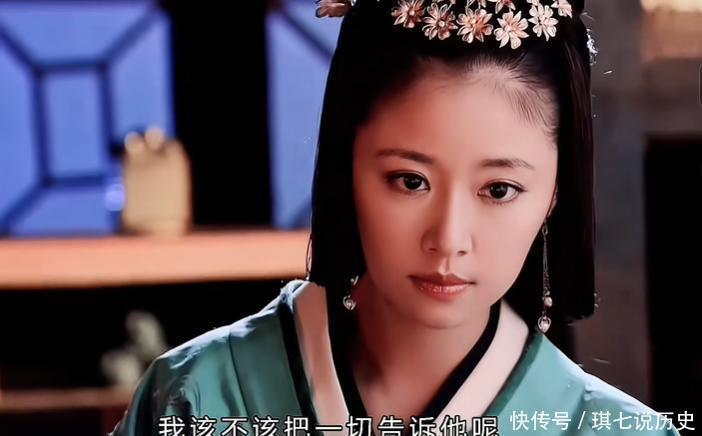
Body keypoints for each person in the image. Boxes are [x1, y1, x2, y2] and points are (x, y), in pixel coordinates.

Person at [110, 0, 682, 434]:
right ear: (346, 165)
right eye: (410, 181)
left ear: (555, 192)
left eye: (499, 190)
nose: (449, 240)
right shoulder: (196, 399)